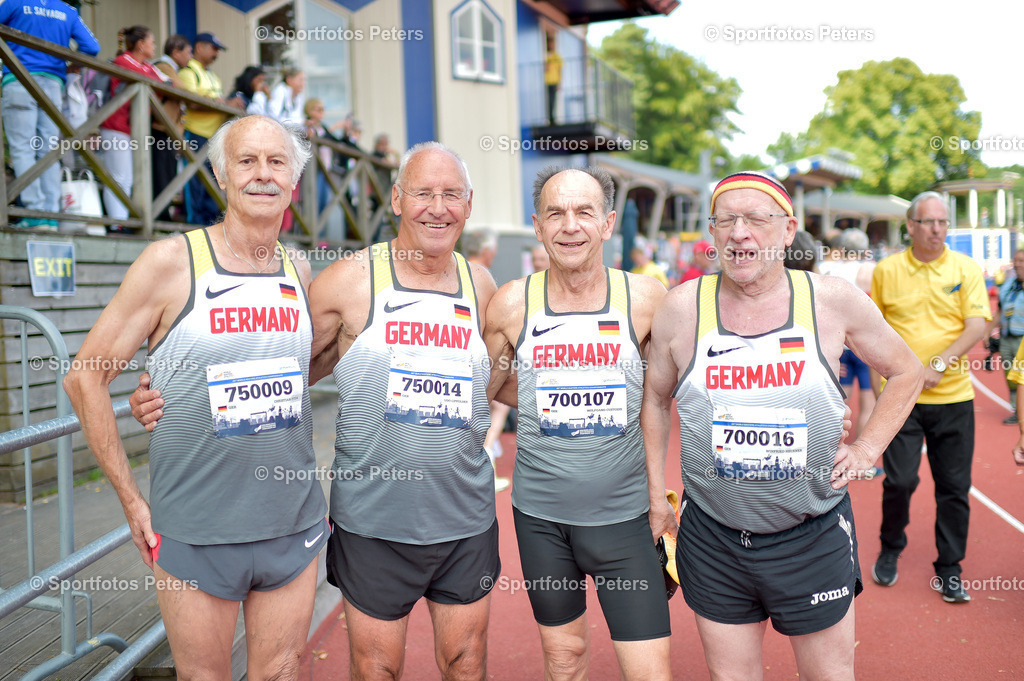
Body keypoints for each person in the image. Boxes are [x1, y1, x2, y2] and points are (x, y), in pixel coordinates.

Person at [66, 115, 327, 679]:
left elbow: (289, 372)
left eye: (277, 162)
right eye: (246, 161)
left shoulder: (299, 269)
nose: (263, 174)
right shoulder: (169, 263)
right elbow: (84, 376)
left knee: (282, 671)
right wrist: (132, 502)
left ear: (294, 181)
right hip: (195, 527)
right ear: (221, 176)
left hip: (292, 520)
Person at [642, 171, 923, 679]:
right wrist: (654, 494)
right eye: (726, 220)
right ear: (712, 231)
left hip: (811, 533)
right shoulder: (682, 307)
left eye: (756, 219)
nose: (739, 233)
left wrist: (866, 449)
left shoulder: (831, 300)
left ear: (789, 230)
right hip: (713, 534)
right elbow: (656, 400)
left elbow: (907, 370)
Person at [306, 142, 499, 680]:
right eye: (423, 193)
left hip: (464, 517)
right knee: (377, 669)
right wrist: (171, 393)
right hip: (374, 522)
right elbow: (284, 370)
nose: (438, 208)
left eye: (451, 194)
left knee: (465, 662)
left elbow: (511, 380)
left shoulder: (481, 286)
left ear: (468, 204)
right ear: (396, 199)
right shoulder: (348, 280)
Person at [484, 166, 671, 680]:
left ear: (607, 223)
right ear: (537, 225)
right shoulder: (512, 303)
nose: (570, 226)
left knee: (649, 672)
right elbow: (484, 384)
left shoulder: (647, 299)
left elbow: (670, 393)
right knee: (564, 658)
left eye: (584, 212)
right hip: (541, 519)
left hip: (627, 518)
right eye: (556, 213)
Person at [869, 190, 990, 603]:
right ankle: (890, 547)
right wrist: (879, 385)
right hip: (900, 399)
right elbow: (875, 329)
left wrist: (939, 364)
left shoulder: (965, 268)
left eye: (942, 222)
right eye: (928, 222)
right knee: (900, 481)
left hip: (953, 398)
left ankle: (950, 568)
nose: (937, 230)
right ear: (911, 226)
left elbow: (977, 325)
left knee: (954, 486)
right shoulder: (886, 270)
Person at [0, 0, 100, 229]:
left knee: (23, 147)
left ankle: (34, 213)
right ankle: (51, 215)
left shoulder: (15, 2)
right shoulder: (67, 10)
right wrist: (70, 64)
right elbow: (92, 47)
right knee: (49, 150)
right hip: (53, 84)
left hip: (18, 79)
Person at [462, 227, 512, 493]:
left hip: (461, 355)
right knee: (497, 407)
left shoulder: (457, 271)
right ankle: (485, 457)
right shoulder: (483, 279)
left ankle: (483, 455)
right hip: (478, 357)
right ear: (488, 251)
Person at [100, 26, 163, 231]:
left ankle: (122, 221)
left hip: (132, 128)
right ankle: (116, 224)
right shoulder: (123, 60)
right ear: (140, 44)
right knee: (119, 177)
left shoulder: (147, 66)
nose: (154, 46)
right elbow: (153, 81)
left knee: (128, 178)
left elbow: (165, 84)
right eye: (152, 42)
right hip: (114, 125)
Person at [179, 31, 242, 226]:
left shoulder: (213, 76)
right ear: (199, 47)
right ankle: (193, 228)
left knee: (212, 187)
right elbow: (191, 102)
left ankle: (209, 228)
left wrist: (231, 106)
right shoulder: (189, 71)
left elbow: (217, 103)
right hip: (194, 134)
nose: (217, 54)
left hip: (214, 140)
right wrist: (224, 103)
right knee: (195, 186)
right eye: (214, 49)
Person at [820, 228, 878, 440]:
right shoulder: (870, 270)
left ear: (841, 248)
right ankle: (861, 454)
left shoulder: (826, 270)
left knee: (839, 403)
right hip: (863, 345)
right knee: (868, 403)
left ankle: (835, 450)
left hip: (838, 344)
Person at [151, 34, 191, 222]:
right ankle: (161, 218)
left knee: (167, 174)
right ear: (176, 51)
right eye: (188, 52)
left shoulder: (171, 68)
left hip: (166, 130)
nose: (190, 57)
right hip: (159, 129)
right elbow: (181, 89)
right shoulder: (163, 66)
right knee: (161, 175)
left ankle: (164, 216)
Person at [993, 249, 1024, 424]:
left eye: (1022, 261)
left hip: (1022, 339)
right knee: (1011, 376)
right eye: (1016, 260)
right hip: (1006, 337)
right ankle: (1017, 410)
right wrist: (987, 331)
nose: (1018, 264)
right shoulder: (1008, 285)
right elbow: (1000, 310)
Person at [544, 33, 562, 126]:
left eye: (552, 43)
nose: (551, 45)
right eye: (549, 43)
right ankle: (549, 117)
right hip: (546, 81)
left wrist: (559, 82)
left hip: (554, 81)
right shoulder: (545, 56)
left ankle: (552, 118)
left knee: (553, 100)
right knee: (547, 100)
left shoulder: (557, 56)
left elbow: (560, 70)